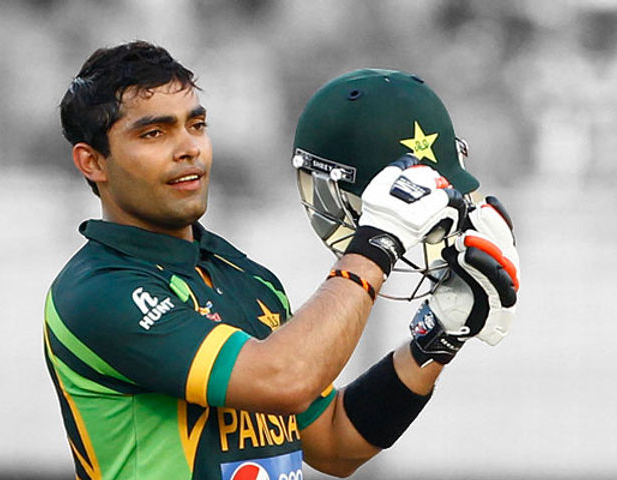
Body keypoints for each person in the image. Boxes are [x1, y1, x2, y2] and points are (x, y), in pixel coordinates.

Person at [44, 40, 520, 480]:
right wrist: (377, 241)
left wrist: (439, 336)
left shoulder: (249, 279)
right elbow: (284, 377)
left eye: (197, 125)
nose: (188, 148)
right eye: (154, 133)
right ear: (92, 162)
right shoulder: (97, 292)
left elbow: (334, 442)